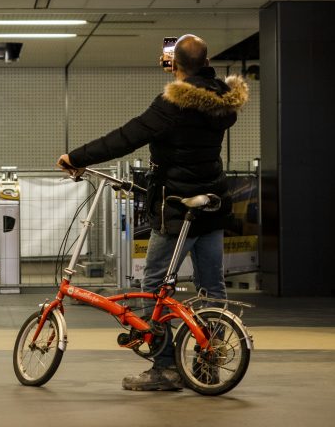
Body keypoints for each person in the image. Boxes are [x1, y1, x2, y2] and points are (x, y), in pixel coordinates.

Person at [57, 34, 248, 391]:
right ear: (206, 63)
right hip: (212, 203)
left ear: (173, 64)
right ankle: (208, 365)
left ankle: (164, 368)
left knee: (154, 287)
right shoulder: (224, 103)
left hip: (176, 209)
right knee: (211, 288)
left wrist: (76, 157)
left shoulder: (172, 104)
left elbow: (126, 137)